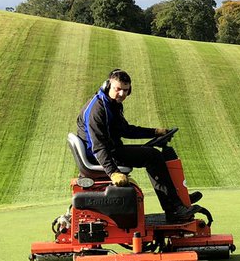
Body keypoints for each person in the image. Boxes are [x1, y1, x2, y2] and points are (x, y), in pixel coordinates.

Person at [76, 69, 197, 222]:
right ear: (108, 86)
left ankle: (177, 199)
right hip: (102, 156)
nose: (121, 94)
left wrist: (155, 132)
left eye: (125, 90)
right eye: (117, 89)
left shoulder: (112, 104)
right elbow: (98, 146)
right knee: (152, 156)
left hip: (110, 150)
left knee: (152, 153)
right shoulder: (97, 110)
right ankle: (174, 209)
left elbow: (126, 130)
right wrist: (113, 172)